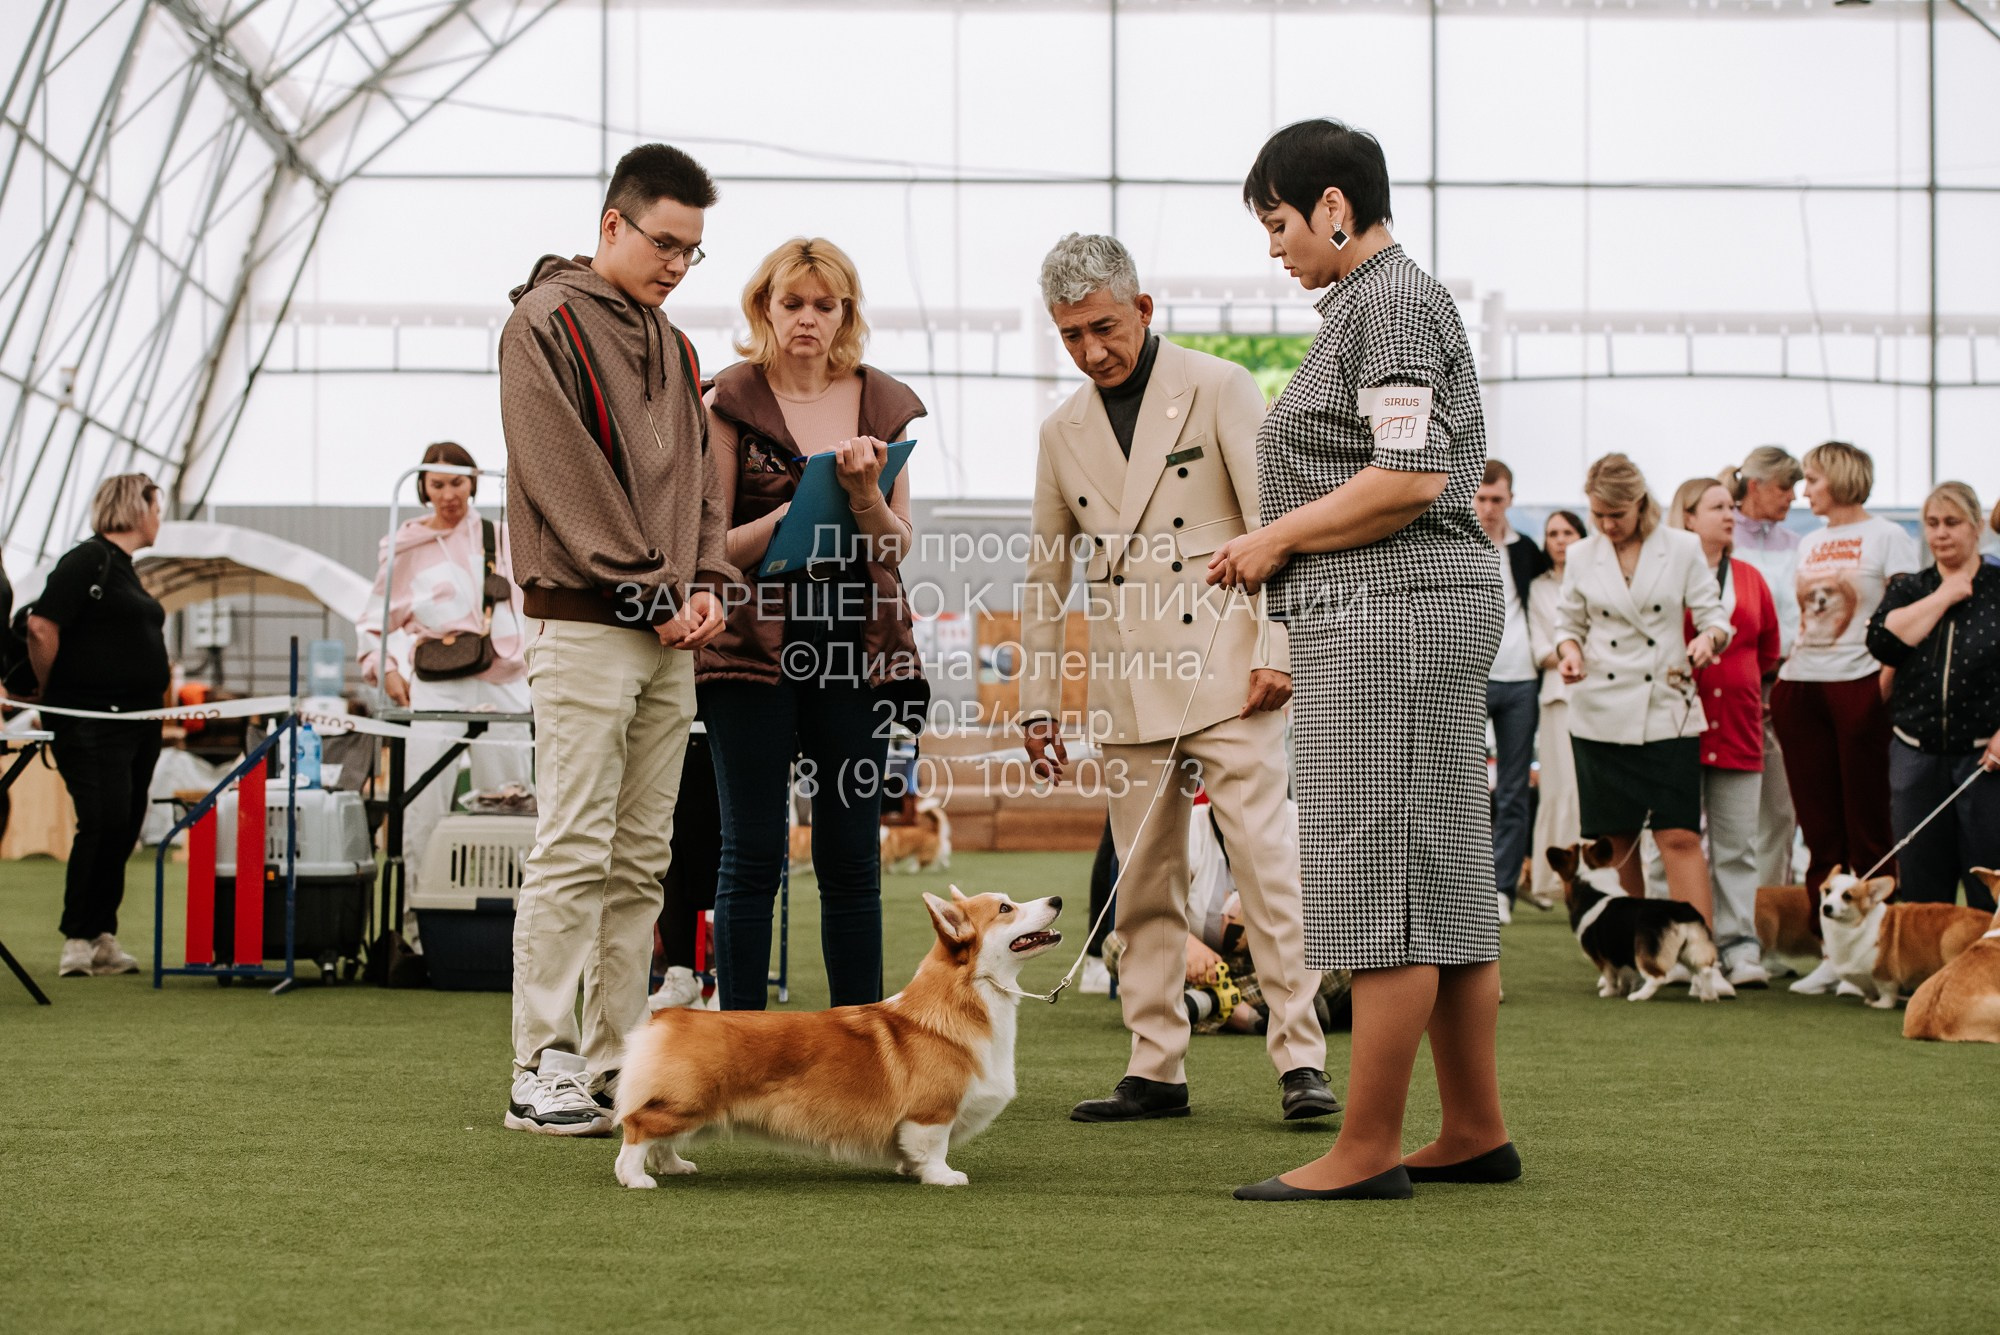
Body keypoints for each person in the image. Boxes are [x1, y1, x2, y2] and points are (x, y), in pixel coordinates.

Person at [1210, 119, 1511, 1200]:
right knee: (1441, 880)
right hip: (1412, 609)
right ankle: (1472, 1127)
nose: (1276, 248)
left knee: (1378, 875)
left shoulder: (1383, 302)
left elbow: (1406, 477)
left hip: (1388, 613)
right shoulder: (1390, 302)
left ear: (1333, 206)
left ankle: (1365, 1145)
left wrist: (1272, 537)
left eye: (1279, 222)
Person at [1021, 232, 1334, 1124]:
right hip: (1126, 683)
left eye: (1104, 327)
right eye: (1071, 334)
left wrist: (1279, 647)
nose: (1091, 350)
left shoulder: (1220, 385)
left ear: (1144, 308)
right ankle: (1155, 1063)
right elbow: (1046, 578)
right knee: (1144, 884)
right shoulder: (1059, 432)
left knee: (1269, 871)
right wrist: (1040, 705)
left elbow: (1278, 525)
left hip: (1231, 671)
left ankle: (1301, 1058)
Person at [497, 143, 734, 1135]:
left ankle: (610, 1059)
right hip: (590, 623)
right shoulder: (540, 324)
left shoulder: (675, 346)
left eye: (692, 249)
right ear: (611, 226)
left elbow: (702, 481)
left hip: (667, 629)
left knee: (640, 857)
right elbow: (563, 477)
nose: (676, 263)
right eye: (663, 241)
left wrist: (712, 577)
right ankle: (538, 1066)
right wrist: (652, 592)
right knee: (574, 847)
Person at [697, 237, 928, 1011]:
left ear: (846, 314)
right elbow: (713, 549)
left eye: (824, 304)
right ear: (763, 307)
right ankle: (737, 1049)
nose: (807, 318)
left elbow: (896, 544)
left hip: (855, 648)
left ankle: (860, 1043)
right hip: (751, 648)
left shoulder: (884, 401)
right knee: (753, 852)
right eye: (791, 302)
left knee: (849, 857)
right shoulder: (727, 397)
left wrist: (861, 496)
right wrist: (794, 516)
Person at [357, 441, 531, 929]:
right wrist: (385, 667)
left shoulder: (502, 537)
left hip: (504, 678)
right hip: (436, 682)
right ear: (424, 488)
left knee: (512, 796)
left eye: (458, 482)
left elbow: (533, 607)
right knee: (422, 800)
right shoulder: (405, 546)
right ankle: (418, 922)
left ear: (473, 482)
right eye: (438, 484)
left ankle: (518, 925)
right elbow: (375, 619)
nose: (449, 493)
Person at [1552, 455, 1732, 921]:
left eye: (1617, 514)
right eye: (1598, 515)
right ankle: (1633, 955)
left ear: (1640, 504)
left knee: (1679, 836)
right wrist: (1569, 652)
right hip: (1598, 713)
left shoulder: (1683, 547)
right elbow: (1567, 623)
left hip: (1666, 710)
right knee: (1617, 843)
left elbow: (1714, 617)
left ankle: (1700, 956)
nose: (1607, 525)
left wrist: (1706, 640)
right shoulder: (1580, 555)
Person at [1770, 441, 1919, 991]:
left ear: (1838, 476)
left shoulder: (1888, 536)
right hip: (1802, 685)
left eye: (1811, 478)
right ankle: (1834, 952)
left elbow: (1904, 616)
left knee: (1869, 824)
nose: (1804, 489)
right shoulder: (1810, 541)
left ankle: (1880, 950)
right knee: (1819, 826)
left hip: (1859, 684)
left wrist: (1881, 683)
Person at [27, 474, 169, 977]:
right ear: (137, 507)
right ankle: (76, 939)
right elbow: (42, 625)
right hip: (90, 721)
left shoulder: (125, 570)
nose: (161, 516)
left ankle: (101, 933)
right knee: (102, 820)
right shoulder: (88, 560)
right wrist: (51, 694)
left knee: (125, 824)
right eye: (157, 505)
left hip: (137, 721)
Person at [1667, 477, 1782, 985]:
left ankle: (1740, 947)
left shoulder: (1753, 578)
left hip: (1738, 726)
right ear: (1688, 518)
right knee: (1669, 841)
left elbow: (1769, 652)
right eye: (1717, 507)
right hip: (1675, 725)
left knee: (1737, 845)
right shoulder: (1667, 573)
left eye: (1732, 506)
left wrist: (1756, 697)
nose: (1730, 514)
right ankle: (1669, 946)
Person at [1866, 481, 2000, 911]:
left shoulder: (1998, 588)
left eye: (1952, 523)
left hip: (1984, 759)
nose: (1941, 533)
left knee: (1988, 877)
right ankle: (1926, 977)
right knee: (1922, 878)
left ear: (1977, 526)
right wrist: (1944, 595)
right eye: (1932, 524)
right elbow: (1883, 643)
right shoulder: (1911, 588)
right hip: (1915, 753)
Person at [1723, 445, 1804, 887]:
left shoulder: (1799, 545)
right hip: (1729, 689)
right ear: (1754, 486)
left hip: (1782, 685)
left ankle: (1768, 916)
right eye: (1785, 486)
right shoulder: (1720, 534)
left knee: (1779, 808)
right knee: (1719, 809)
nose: (1794, 497)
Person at [1474, 459, 1550, 925]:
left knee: (1515, 789)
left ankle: (1503, 888)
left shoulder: (1527, 551)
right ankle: (1469, 888)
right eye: (1481, 498)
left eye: (1496, 500)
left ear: (1510, 500)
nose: (1487, 508)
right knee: (1459, 784)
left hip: (1521, 677)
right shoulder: (1457, 544)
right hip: (1471, 674)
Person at [1525, 510, 1587, 908]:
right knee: (1558, 788)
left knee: (1586, 790)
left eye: (1567, 532)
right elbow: (1539, 648)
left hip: (1595, 694)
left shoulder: (1595, 579)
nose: (1559, 540)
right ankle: (1552, 876)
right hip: (1554, 695)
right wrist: (1570, 654)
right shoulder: (1538, 588)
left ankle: (1591, 868)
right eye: (1552, 533)